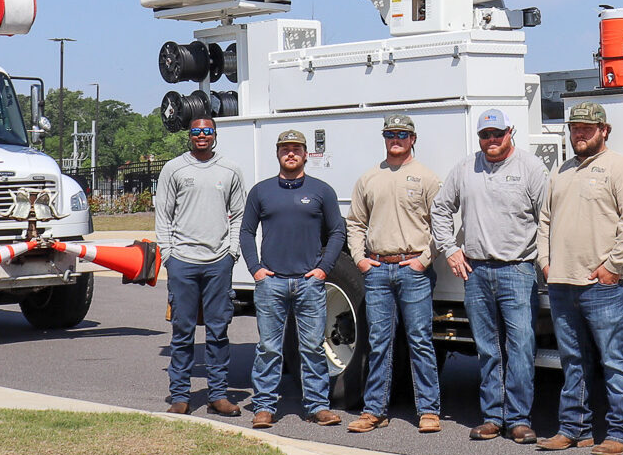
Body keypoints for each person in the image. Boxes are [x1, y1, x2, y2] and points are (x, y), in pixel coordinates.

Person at [431, 108, 549, 443]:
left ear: (510, 132)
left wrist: (546, 261)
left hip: (517, 270)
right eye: (485, 135)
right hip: (477, 271)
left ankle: (519, 419)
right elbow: (440, 208)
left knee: (521, 347)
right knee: (487, 348)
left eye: (497, 133)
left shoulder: (530, 168)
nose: (491, 140)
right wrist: (450, 249)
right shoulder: (466, 168)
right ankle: (492, 417)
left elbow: (549, 218)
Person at [536, 101, 623, 455]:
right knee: (572, 362)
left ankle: (621, 432)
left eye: (586, 128)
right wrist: (546, 263)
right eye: (574, 128)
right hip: (563, 284)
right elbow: (545, 221)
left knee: (614, 361)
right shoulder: (561, 172)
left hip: (603, 287)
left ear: (604, 130)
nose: (579, 134)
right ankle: (574, 429)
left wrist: (613, 266)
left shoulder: (620, 169)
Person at [239, 128, 347, 429]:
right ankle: (264, 406)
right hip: (271, 282)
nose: (291, 153)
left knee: (312, 347)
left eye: (296, 149)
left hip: (309, 282)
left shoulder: (321, 191)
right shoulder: (261, 191)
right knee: (269, 348)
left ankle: (317, 406)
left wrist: (324, 268)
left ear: (305, 154)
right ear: (277, 153)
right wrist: (255, 269)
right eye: (285, 148)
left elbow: (338, 231)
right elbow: (246, 232)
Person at [345, 114, 445, 434]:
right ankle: (375, 410)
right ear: (384, 138)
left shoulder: (427, 179)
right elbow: (356, 223)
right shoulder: (369, 178)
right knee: (379, 342)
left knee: (419, 341)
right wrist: (360, 258)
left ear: (413, 138)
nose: (396, 139)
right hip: (377, 271)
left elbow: (443, 226)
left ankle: (428, 410)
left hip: (413, 269)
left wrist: (424, 260)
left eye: (402, 134)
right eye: (390, 134)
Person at [154, 117, 246, 417]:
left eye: (207, 131)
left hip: (218, 262)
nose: (202, 136)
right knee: (182, 332)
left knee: (218, 332)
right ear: (190, 136)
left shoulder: (230, 170)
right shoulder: (174, 169)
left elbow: (239, 214)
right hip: (182, 262)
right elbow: (163, 215)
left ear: (215, 135)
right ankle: (180, 395)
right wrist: (168, 255)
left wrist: (232, 252)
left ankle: (218, 395)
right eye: (196, 132)